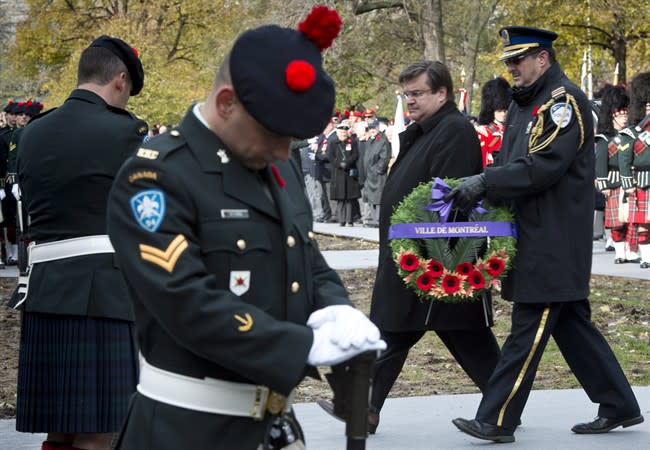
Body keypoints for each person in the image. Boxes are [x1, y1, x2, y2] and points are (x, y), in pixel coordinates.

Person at [105, 6, 385, 449]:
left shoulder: (274, 166)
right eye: (274, 134)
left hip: (272, 426)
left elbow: (307, 259)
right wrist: (301, 346)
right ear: (225, 103)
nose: (282, 151)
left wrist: (337, 308)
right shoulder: (155, 178)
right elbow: (185, 301)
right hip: (189, 430)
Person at [447, 26, 643, 443]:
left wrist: (485, 182)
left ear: (543, 58)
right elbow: (513, 162)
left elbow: (545, 166)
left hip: (553, 235)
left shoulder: (561, 102)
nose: (512, 68)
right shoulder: (526, 102)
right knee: (571, 325)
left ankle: (497, 419)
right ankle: (619, 404)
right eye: (509, 62)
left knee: (528, 326)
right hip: (533, 230)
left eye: (519, 60)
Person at [316, 60, 502, 433]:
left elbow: (448, 197)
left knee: (436, 333)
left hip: (436, 259)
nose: (410, 101)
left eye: (417, 93)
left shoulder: (453, 131)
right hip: (413, 256)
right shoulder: (426, 130)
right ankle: (365, 407)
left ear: (441, 93)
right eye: (406, 94)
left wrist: (425, 255)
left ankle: (505, 404)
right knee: (419, 331)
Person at [14, 35, 147, 450]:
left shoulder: (34, 132)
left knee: (61, 430)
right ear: (121, 80)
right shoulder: (124, 132)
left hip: (45, 290)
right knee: (97, 434)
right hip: (103, 295)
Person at [594, 85, 639, 264]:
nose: (624, 117)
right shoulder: (605, 140)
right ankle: (620, 252)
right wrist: (603, 185)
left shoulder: (631, 136)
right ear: (612, 115)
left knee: (631, 221)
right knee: (616, 223)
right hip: (613, 184)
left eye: (625, 113)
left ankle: (631, 250)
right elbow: (600, 164)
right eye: (620, 114)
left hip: (629, 183)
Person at [619, 72, 650, 269]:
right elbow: (624, 159)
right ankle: (647, 257)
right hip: (642, 179)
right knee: (644, 224)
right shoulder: (632, 133)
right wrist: (628, 184)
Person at [328, 120, 362, 226]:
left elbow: (355, 155)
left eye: (345, 132)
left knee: (350, 198)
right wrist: (339, 164)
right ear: (338, 132)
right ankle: (341, 220)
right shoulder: (333, 143)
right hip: (338, 173)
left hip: (349, 173)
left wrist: (347, 163)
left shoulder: (352, 142)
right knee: (340, 198)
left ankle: (350, 220)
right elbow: (331, 157)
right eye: (341, 132)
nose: (343, 133)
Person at [360, 118, 391, 227]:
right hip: (369, 174)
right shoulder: (370, 140)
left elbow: (385, 157)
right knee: (370, 198)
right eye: (370, 128)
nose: (372, 129)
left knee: (378, 198)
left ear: (378, 127)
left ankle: (378, 220)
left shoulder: (382, 140)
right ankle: (373, 220)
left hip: (378, 174)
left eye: (374, 127)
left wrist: (379, 170)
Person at [475, 77, 511, 167]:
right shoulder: (483, 132)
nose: (503, 114)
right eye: (499, 110)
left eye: (505, 110)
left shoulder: (511, 129)